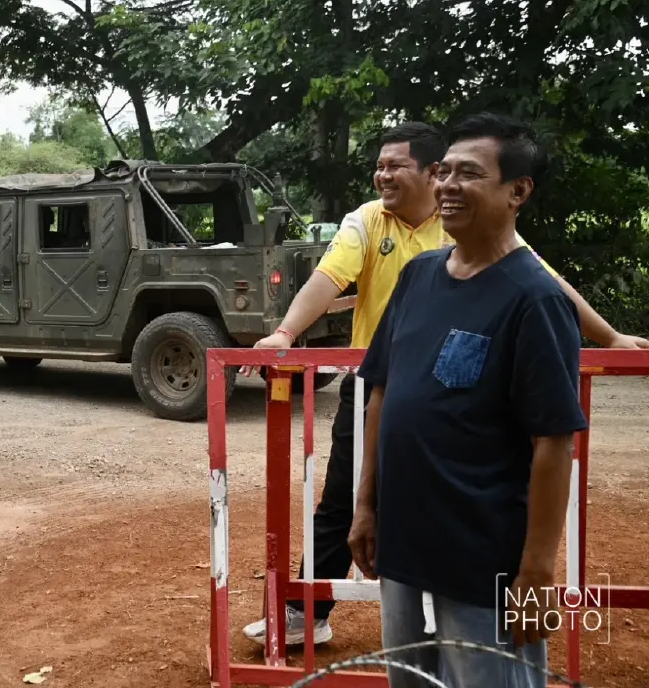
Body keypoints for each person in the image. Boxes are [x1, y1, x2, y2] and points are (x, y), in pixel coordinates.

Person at [241, 121, 647, 647]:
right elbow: (328, 279)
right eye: (380, 165)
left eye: (396, 165)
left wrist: (611, 336)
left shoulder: (500, 256)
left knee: (480, 641)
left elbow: (546, 287)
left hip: (476, 485)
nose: (383, 174)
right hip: (381, 394)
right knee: (346, 501)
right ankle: (306, 611)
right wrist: (284, 332)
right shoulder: (379, 233)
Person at [348, 113, 586, 686]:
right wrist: (365, 505)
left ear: (517, 191)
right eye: (444, 171)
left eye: (469, 173)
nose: (448, 186)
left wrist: (538, 571)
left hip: (487, 557)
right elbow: (383, 393)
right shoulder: (417, 276)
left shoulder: (535, 300)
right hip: (402, 542)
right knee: (408, 679)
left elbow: (553, 443)